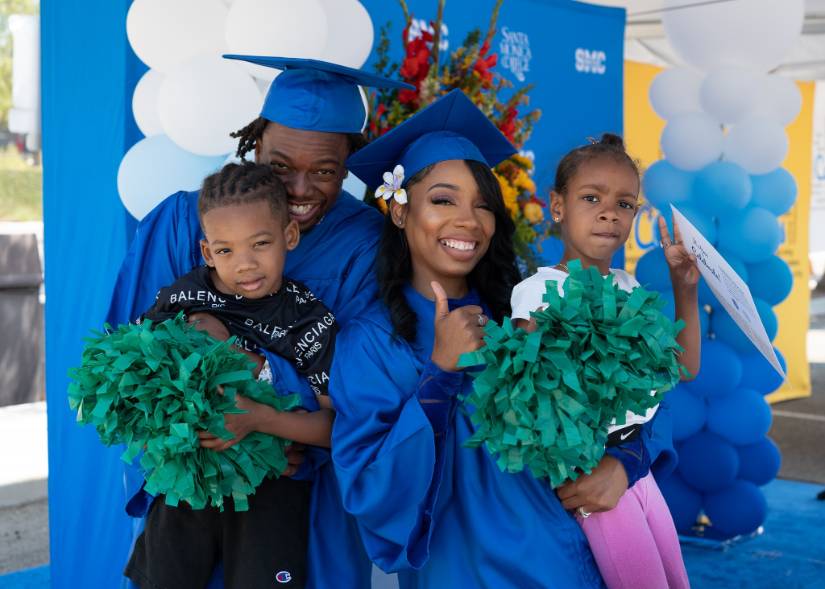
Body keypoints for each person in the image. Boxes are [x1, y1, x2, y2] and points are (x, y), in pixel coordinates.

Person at [106, 56, 412, 588]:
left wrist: (270, 415)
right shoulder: (183, 219)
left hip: (304, 492)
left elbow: (365, 380)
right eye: (278, 166)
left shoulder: (369, 245)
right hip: (191, 480)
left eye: (324, 171)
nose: (298, 190)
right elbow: (128, 352)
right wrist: (194, 422)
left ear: (349, 165)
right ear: (254, 144)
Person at [330, 90, 629, 588]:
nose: (468, 220)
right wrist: (439, 376)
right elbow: (368, 488)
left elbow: (635, 397)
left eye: (483, 205)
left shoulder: (528, 309)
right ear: (400, 212)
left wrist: (625, 463)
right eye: (443, 200)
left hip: (565, 559)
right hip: (459, 571)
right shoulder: (371, 342)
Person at [125, 162, 337, 588]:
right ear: (207, 252)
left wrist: (261, 420)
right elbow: (137, 383)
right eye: (226, 250)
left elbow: (334, 427)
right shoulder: (182, 300)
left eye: (260, 244)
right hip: (188, 480)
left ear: (289, 236)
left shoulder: (307, 319)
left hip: (271, 489)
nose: (245, 265)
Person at [510, 134, 700, 589]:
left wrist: (685, 289)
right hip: (593, 478)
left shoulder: (626, 285)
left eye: (625, 203)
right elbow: (534, 401)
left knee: (677, 581)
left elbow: (684, 367)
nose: (609, 212)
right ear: (557, 206)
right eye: (591, 197)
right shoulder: (538, 293)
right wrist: (584, 468)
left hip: (635, 469)